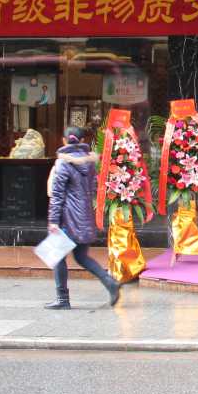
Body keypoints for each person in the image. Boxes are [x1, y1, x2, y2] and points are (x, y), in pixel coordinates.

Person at [45, 126, 120, 309]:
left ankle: (62, 299)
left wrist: (53, 221)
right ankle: (109, 282)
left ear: (64, 141)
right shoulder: (90, 163)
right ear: (82, 141)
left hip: (67, 218)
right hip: (85, 216)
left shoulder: (63, 163)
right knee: (81, 257)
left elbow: (57, 195)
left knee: (57, 256)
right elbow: (93, 188)